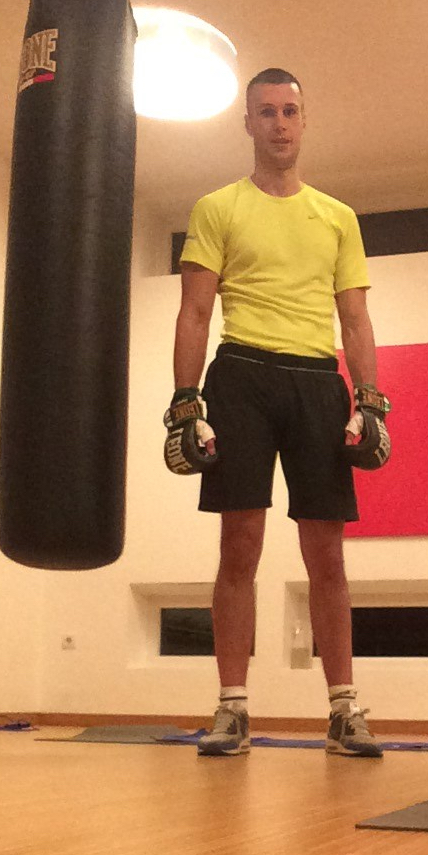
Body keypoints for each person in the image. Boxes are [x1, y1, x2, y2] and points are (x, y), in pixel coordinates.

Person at [170, 68, 389, 758]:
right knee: (239, 545)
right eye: (265, 111)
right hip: (240, 375)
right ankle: (232, 709)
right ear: (248, 124)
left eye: (290, 110)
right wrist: (184, 402)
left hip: (316, 382)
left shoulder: (337, 217)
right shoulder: (217, 207)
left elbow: (355, 318)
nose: (279, 123)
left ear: (303, 120)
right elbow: (195, 311)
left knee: (327, 553)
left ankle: (344, 710)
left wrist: (371, 402)